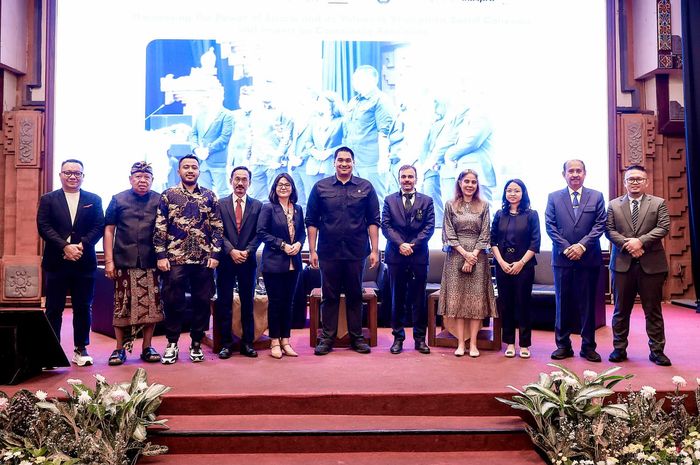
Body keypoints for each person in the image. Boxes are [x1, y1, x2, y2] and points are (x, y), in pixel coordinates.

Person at [306, 146, 381, 355]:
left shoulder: (366, 187)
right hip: (328, 252)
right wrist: (312, 250)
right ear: (334, 163)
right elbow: (311, 221)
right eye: (340, 160)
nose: (344, 164)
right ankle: (327, 338)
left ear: (353, 163)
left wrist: (375, 250)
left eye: (348, 160)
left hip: (356, 252)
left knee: (355, 295)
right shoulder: (321, 187)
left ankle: (357, 337)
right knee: (329, 296)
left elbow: (373, 220)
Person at [154, 155, 223, 364]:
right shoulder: (168, 195)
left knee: (202, 302)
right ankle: (172, 343)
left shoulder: (210, 196)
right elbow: (160, 226)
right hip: (175, 258)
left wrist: (215, 254)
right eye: (186, 167)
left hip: (203, 260)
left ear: (199, 171)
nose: (190, 170)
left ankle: (196, 342)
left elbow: (218, 228)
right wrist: (160, 255)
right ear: (179, 171)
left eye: (194, 167)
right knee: (173, 301)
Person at [37, 159, 104, 366]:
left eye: (77, 173)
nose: (73, 176)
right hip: (56, 261)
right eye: (68, 173)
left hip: (84, 262)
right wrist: (65, 247)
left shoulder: (94, 199)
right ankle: (51, 351)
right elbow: (43, 226)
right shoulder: (48, 199)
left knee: (83, 306)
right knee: (54, 308)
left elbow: (99, 226)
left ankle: (81, 349)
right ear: (60, 175)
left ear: (83, 176)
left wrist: (81, 245)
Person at [606, 165, 672, 366]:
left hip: (651, 266)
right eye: (631, 179)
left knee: (652, 310)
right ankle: (619, 348)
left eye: (639, 179)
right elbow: (608, 230)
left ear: (646, 182)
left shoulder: (658, 203)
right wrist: (629, 245)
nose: (635, 182)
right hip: (622, 264)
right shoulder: (614, 205)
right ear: (625, 182)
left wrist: (640, 241)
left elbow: (663, 226)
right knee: (620, 310)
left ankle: (657, 350)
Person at [545, 159, 607, 362]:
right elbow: (550, 226)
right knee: (562, 304)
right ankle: (563, 345)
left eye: (578, 170)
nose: (574, 174)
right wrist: (567, 247)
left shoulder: (596, 196)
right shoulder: (554, 197)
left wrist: (581, 246)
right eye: (570, 171)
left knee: (587, 305)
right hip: (562, 260)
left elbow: (600, 224)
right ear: (563, 174)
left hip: (588, 259)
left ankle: (588, 347)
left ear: (585, 173)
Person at [103, 162, 164, 365]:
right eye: (138, 176)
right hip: (123, 262)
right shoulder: (118, 199)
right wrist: (109, 261)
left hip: (150, 261)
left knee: (152, 307)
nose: (142, 180)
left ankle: (147, 347)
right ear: (130, 179)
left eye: (146, 177)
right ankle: (119, 349)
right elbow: (109, 230)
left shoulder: (159, 199)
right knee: (122, 305)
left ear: (152, 180)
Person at [437, 169, 497, 358]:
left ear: (477, 185)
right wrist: (464, 254)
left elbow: (486, 233)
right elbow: (448, 232)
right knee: (459, 302)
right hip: (456, 256)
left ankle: (473, 344)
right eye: (466, 181)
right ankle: (461, 344)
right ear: (460, 183)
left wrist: (473, 255)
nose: (470, 185)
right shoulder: (450, 205)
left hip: (478, 258)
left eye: (473, 182)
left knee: (475, 302)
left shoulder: (484, 205)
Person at [381, 165, 435, 354]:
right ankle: (398, 338)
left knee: (419, 299)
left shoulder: (427, 201)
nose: (407, 180)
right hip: (396, 256)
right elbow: (386, 226)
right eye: (403, 177)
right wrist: (400, 244)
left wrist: (412, 245)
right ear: (398, 179)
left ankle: (420, 339)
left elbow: (429, 226)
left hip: (418, 256)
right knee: (397, 299)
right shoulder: (389, 200)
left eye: (410, 177)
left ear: (416, 179)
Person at [215, 166, 263, 359]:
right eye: (237, 179)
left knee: (247, 304)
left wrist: (247, 251)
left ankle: (247, 343)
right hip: (226, 261)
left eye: (244, 179)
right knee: (224, 303)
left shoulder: (258, 205)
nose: (240, 183)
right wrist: (231, 251)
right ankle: (226, 344)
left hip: (248, 261)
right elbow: (217, 232)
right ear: (231, 181)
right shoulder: (220, 204)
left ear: (249, 182)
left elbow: (259, 233)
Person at [257, 173, 306, 359]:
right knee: (276, 303)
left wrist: (300, 244)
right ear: (274, 188)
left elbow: (301, 233)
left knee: (288, 303)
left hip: (294, 263)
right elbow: (261, 233)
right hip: (274, 263)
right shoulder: (268, 208)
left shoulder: (299, 209)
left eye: (287, 184)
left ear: (292, 187)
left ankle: (286, 340)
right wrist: (283, 245)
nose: (283, 187)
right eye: (280, 184)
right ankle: (274, 341)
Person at [490, 179, 541, 359]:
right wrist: (502, 262)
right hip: (502, 264)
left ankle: (525, 344)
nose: (512, 193)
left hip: (524, 266)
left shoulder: (531, 214)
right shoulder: (499, 214)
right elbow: (492, 241)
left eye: (516, 191)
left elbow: (535, 243)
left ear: (523, 193)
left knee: (523, 304)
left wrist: (520, 263)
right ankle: (510, 343)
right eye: (509, 190)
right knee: (506, 304)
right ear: (505, 193)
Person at [343, 65, 396, 201]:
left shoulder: (381, 100)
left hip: (372, 161)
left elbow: (384, 133)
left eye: (358, 78)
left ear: (371, 80)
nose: (354, 82)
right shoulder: (354, 101)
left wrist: (383, 160)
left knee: (375, 200)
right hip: (353, 161)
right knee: (355, 200)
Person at [188, 85, 234, 198]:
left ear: (221, 96)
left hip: (218, 161)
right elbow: (193, 134)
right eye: (209, 95)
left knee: (223, 194)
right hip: (202, 162)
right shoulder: (200, 114)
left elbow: (224, 138)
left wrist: (208, 150)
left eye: (214, 95)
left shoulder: (227, 115)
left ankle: (225, 216)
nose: (211, 98)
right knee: (203, 194)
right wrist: (196, 149)